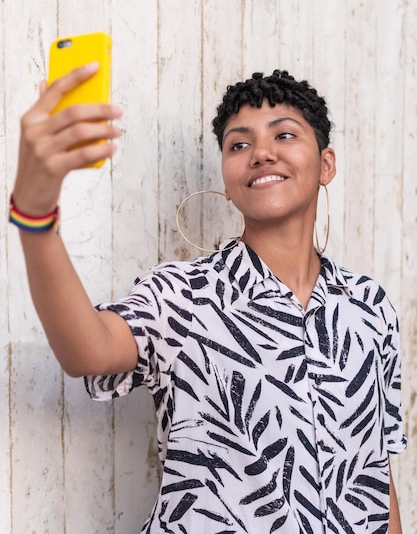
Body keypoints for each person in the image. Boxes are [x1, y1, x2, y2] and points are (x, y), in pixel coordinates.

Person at [10, 65, 406, 533]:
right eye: (239, 144)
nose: (261, 153)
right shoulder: (183, 296)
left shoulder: (370, 307)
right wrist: (34, 213)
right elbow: (87, 352)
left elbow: (375, 476)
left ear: (326, 164)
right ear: (225, 178)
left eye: (284, 135)